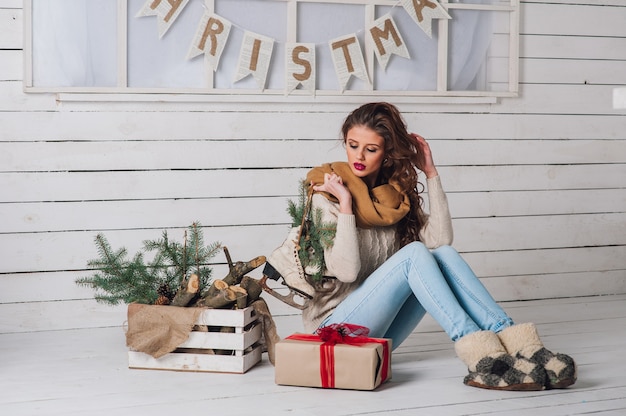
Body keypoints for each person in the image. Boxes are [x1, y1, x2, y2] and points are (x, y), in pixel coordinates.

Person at [265, 102, 576, 391]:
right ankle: (480, 354)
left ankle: (523, 346)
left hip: (377, 334)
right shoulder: (327, 195)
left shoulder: (392, 199)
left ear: (386, 154)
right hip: (333, 332)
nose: (358, 157)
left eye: (370, 149)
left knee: (442, 255)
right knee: (413, 254)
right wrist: (346, 204)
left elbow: (441, 240)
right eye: (352, 145)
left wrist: (430, 172)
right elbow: (347, 271)